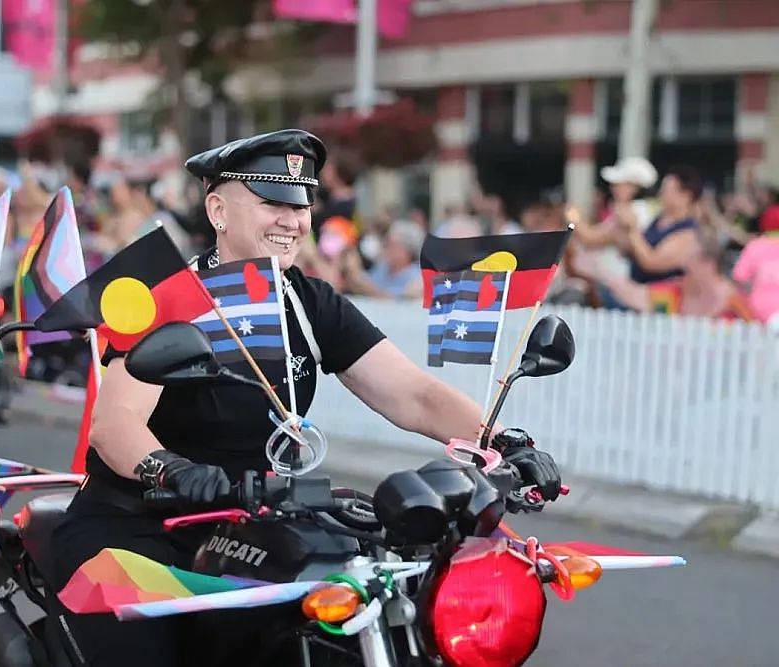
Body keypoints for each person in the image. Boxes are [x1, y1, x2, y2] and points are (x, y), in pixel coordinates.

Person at [49, 129, 563, 666]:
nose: (291, 220)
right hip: (137, 529)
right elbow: (115, 423)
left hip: (248, 527)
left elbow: (414, 394)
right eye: (272, 202)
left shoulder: (306, 301)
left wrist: (505, 441)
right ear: (218, 209)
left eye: (301, 204)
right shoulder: (165, 299)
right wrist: (171, 470)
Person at [571, 231, 753, 321]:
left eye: (690, 258)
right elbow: (634, 294)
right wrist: (599, 271)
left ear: (708, 263)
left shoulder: (734, 305)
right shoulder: (675, 294)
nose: (684, 264)